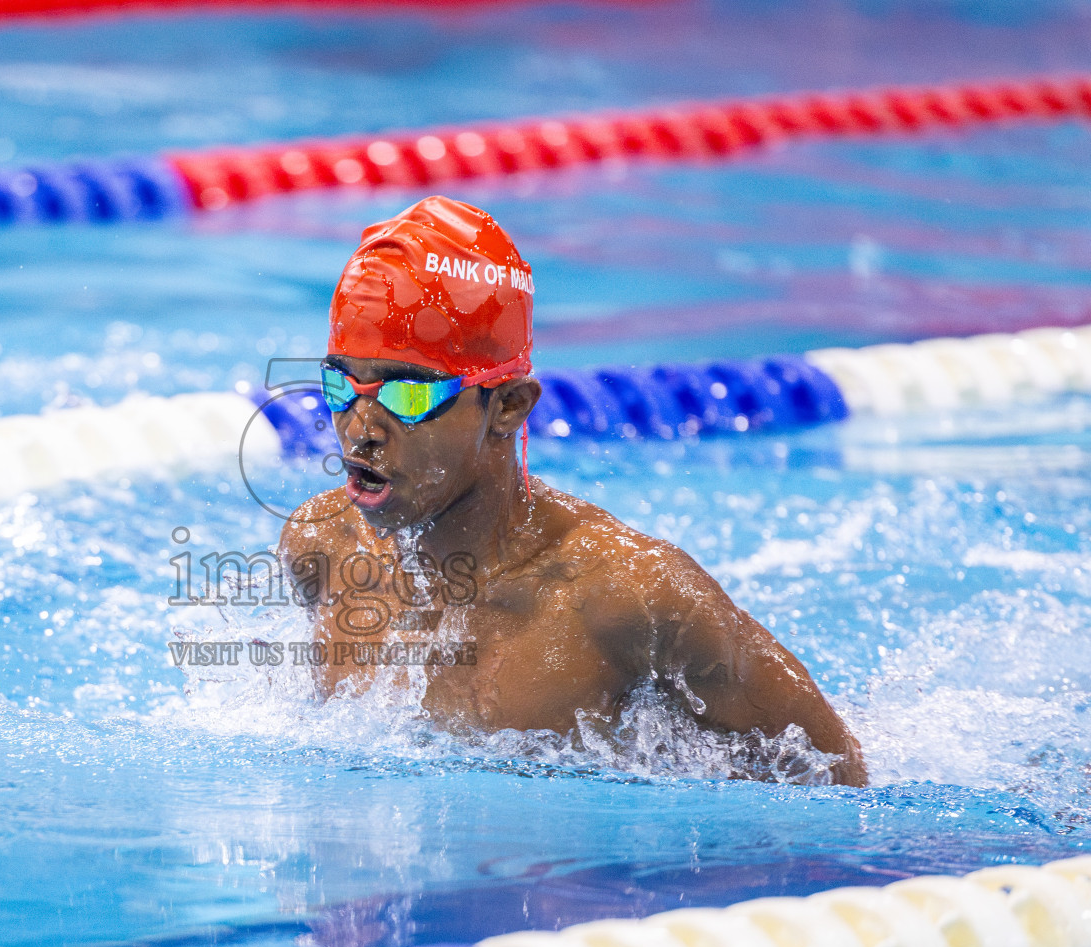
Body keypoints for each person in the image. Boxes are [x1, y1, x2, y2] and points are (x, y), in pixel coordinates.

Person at [277, 196, 867, 786]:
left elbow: (838, 781)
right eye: (342, 385)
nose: (361, 427)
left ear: (507, 406)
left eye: (408, 395)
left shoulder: (630, 598)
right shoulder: (322, 549)